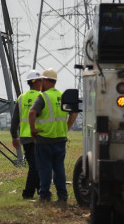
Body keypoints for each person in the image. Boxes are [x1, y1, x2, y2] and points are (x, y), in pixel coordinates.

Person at [27, 68, 78, 203]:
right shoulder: (63, 95)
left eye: (41, 80)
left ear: (45, 81)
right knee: (59, 168)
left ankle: (44, 195)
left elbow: (32, 113)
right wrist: (66, 127)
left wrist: (32, 130)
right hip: (60, 139)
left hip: (44, 139)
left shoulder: (43, 96)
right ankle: (62, 196)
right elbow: (74, 113)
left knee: (45, 168)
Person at [10, 69, 43, 199]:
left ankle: (40, 191)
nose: (42, 82)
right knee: (36, 166)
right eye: (41, 80)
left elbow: (15, 120)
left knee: (35, 165)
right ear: (36, 81)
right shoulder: (42, 97)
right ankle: (29, 193)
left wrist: (14, 136)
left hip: (25, 138)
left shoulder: (21, 98)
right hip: (38, 136)